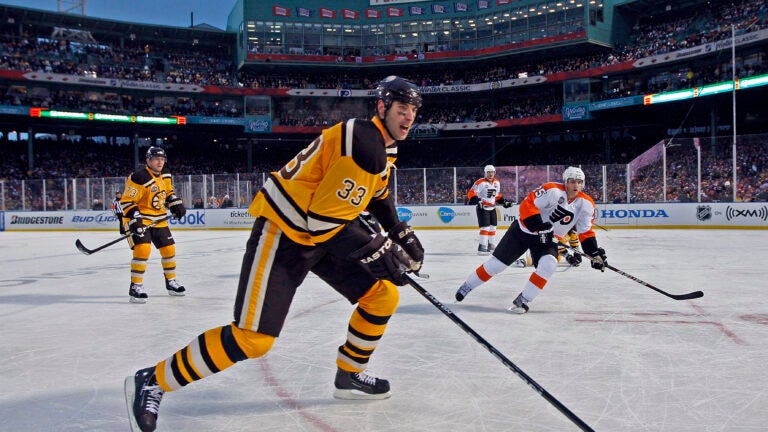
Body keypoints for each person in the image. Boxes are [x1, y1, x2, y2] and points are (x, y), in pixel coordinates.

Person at [126, 76, 425, 432]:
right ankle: (153, 380)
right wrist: (380, 250)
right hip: (284, 232)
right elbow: (324, 223)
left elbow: (375, 195)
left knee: (381, 296)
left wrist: (398, 232)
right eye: (401, 109)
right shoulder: (363, 143)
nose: (408, 117)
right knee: (253, 338)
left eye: (413, 111)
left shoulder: (383, 146)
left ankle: (349, 375)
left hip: (319, 233)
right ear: (381, 107)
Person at [455, 166, 607, 313]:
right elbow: (527, 205)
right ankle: (467, 286)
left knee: (549, 264)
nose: (576, 185)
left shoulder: (586, 204)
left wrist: (594, 253)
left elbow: (586, 232)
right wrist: (539, 226)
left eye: (579, 182)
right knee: (497, 265)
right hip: (523, 231)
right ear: (565, 181)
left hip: (547, 240)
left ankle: (524, 299)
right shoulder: (552, 190)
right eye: (572, 181)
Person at [119, 146, 187, 304]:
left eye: (162, 159)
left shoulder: (166, 175)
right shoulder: (138, 177)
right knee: (142, 250)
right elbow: (127, 201)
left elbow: (168, 192)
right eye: (156, 159)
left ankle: (171, 282)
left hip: (158, 218)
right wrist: (135, 218)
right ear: (148, 160)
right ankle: (136, 286)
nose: (160, 162)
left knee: (169, 250)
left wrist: (176, 204)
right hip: (138, 218)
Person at [466, 165, 513, 255]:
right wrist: (477, 201)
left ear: (494, 173)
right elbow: (471, 193)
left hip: (492, 207)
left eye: (492, 172)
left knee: (493, 227)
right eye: (488, 172)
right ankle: (482, 247)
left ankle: (491, 245)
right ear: (485, 173)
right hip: (483, 208)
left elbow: (497, 195)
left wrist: (504, 202)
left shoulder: (497, 182)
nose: (490, 174)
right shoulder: (480, 182)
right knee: (485, 227)